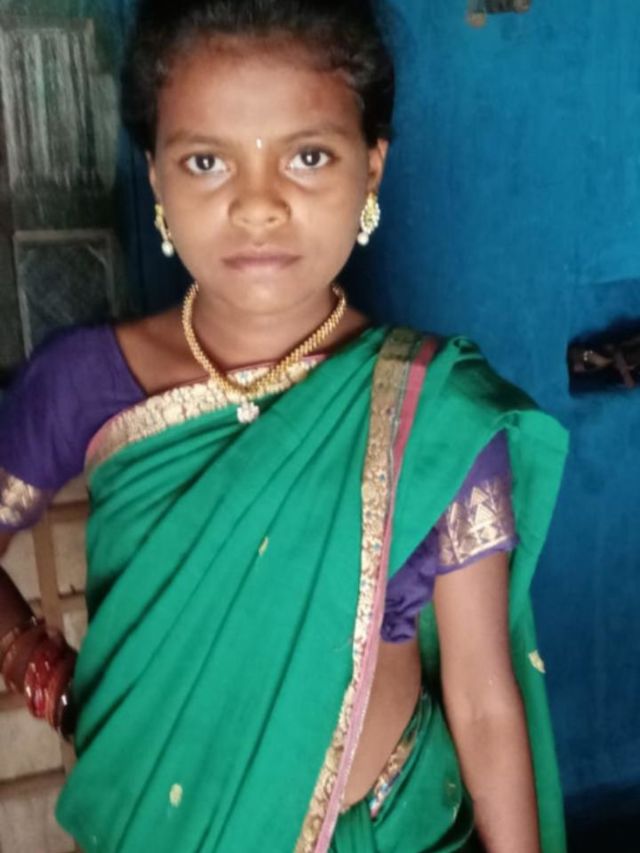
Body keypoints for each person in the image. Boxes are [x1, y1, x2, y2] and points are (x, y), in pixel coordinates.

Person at [0, 1, 568, 851]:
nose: (258, 206)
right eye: (206, 161)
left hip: (390, 832)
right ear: (155, 176)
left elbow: (484, 703)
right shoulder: (83, 382)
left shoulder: (434, 409)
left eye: (307, 156)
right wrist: (35, 665)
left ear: (371, 167)